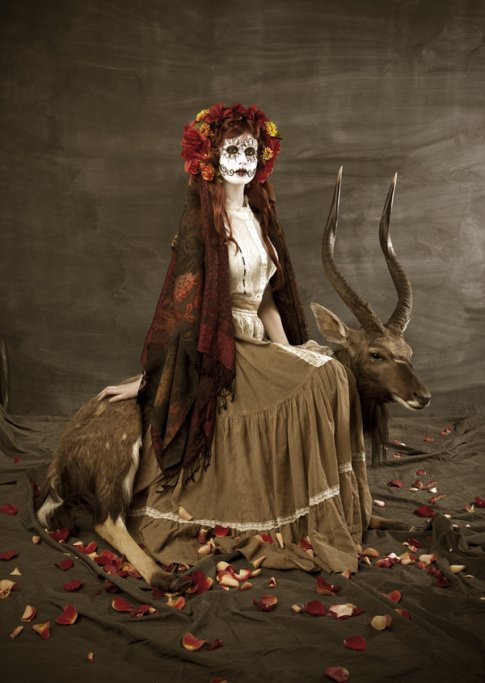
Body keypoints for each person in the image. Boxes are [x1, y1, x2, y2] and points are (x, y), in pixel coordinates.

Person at [97, 103, 372, 573]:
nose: (242, 160)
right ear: (210, 158)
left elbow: (266, 303)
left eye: (250, 150)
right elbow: (180, 315)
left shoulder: (259, 218)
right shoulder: (202, 224)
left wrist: (290, 353)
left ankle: (325, 509)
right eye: (231, 151)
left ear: (262, 157)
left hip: (257, 341)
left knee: (330, 372)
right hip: (218, 349)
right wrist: (149, 382)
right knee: (323, 376)